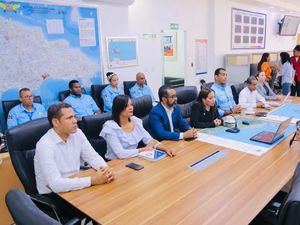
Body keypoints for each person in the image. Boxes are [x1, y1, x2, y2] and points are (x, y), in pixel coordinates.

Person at [34, 102, 114, 195]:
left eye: (74, 116)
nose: (75, 120)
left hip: (76, 184)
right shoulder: (45, 145)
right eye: (69, 118)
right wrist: (92, 180)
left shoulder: (77, 133)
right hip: (54, 195)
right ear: (56, 122)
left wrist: (105, 171)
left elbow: (92, 157)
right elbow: (55, 185)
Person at [100, 95, 175, 160]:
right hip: (115, 163)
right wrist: (144, 149)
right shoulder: (110, 127)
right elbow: (120, 154)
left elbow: (150, 140)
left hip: (133, 159)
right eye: (127, 106)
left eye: (131, 105)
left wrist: (166, 149)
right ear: (118, 109)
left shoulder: (135, 121)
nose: (131, 108)